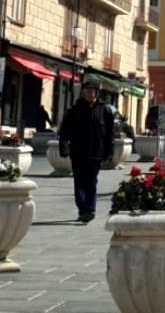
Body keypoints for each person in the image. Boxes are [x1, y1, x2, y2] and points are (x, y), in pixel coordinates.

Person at [57, 81, 114, 223]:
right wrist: (64, 148)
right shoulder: (74, 110)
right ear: (83, 92)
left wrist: (109, 152)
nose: (89, 93)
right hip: (78, 152)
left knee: (92, 182)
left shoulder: (105, 110)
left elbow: (109, 134)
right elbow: (64, 131)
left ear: (96, 93)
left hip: (96, 153)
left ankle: (89, 209)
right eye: (86, 90)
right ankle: (82, 208)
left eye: (91, 90)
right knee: (79, 182)